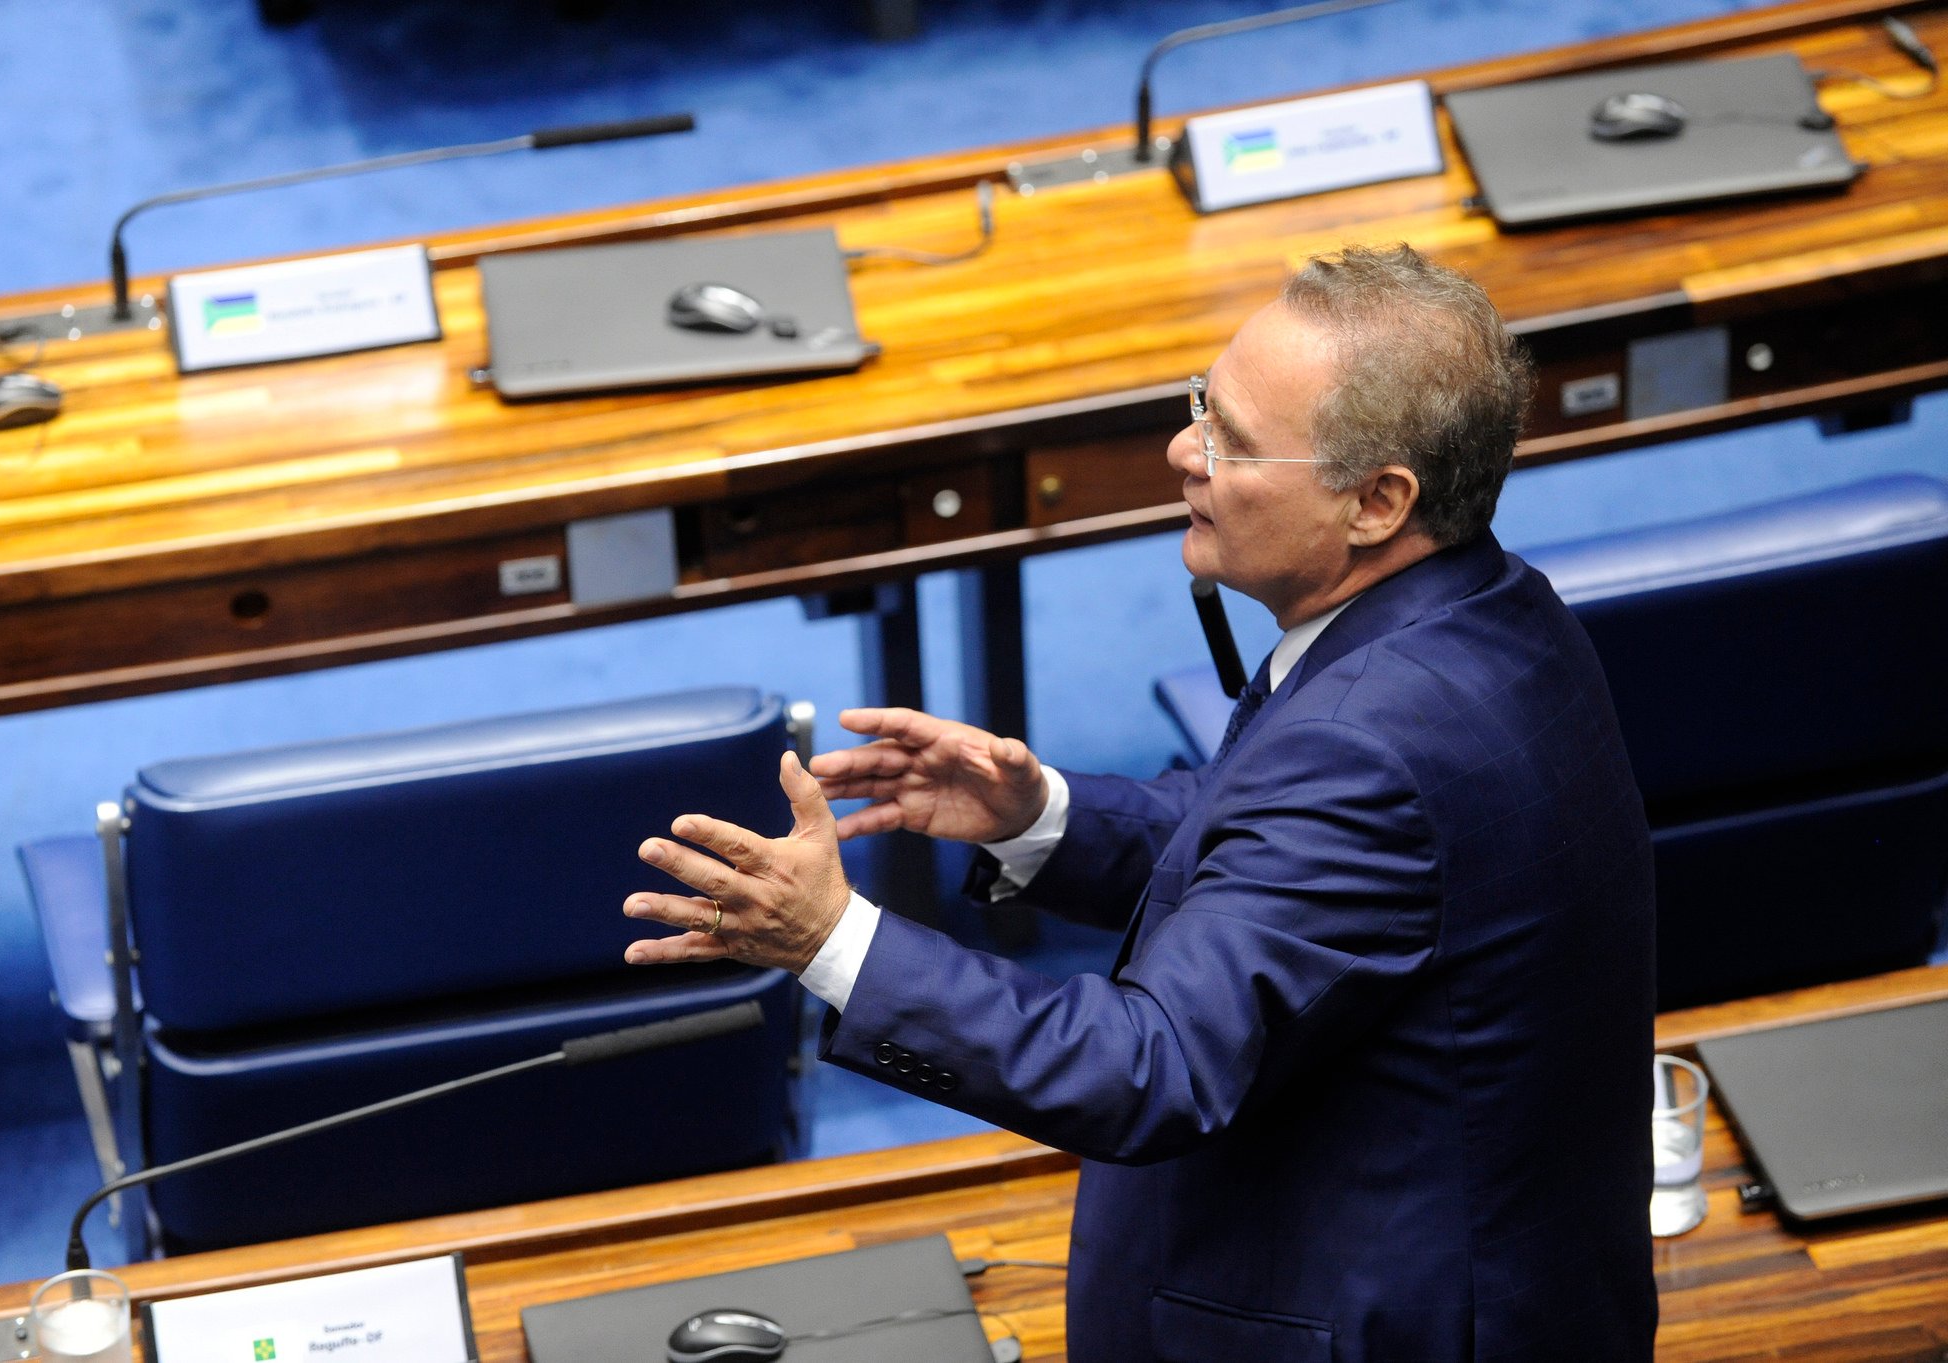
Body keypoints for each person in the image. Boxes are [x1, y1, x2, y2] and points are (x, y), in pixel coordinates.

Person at [621, 244, 1658, 1362]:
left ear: (1376, 501)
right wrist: (1039, 817)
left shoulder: (1365, 740)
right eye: (1200, 406)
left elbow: (1150, 1069)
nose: (1181, 451)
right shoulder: (1487, 613)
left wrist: (833, 941)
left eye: (1231, 442)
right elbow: (1285, 852)